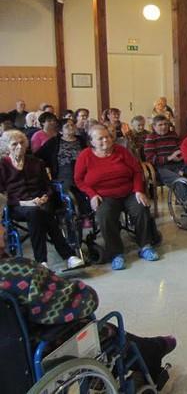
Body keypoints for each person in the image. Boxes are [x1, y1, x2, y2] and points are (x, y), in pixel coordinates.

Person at [0, 250, 176, 387]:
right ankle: (153, 349)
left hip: (9, 371)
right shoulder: (17, 271)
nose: (4, 229)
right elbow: (85, 302)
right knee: (99, 329)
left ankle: (150, 349)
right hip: (39, 355)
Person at [74, 124, 160, 270]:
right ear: (91, 141)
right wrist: (92, 195)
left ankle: (145, 246)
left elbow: (137, 171)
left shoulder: (121, 151)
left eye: (107, 137)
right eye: (100, 138)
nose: (106, 140)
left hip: (128, 192)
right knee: (105, 214)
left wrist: (138, 190)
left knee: (141, 208)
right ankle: (116, 254)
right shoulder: (85, 156)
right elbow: (79, 180)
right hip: (104, 195)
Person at [0, 131, 82, 269]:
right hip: (17, 206)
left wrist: (45, 196)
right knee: (37, 213)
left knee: (40, 211)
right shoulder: (2, 165)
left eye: (22, 143)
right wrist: (24, 203)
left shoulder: (36, 162)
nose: (19, 146)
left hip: (42, 202)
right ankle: (68, 256)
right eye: (14, 144)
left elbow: (48, 186)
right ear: (6, 146)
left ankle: (42, 262)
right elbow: (1, 195)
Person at [144, 115, 184, 186]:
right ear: (154, 126)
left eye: (166, 124)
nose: (164, 127)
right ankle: (186, 193)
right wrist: (169, 158)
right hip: (161, 167)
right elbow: (150, 159)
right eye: (160, 125)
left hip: (178, 164)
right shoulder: (151, 138)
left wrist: (180, 156)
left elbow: (181, 147)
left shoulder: (173, 134)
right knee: (179, 180)